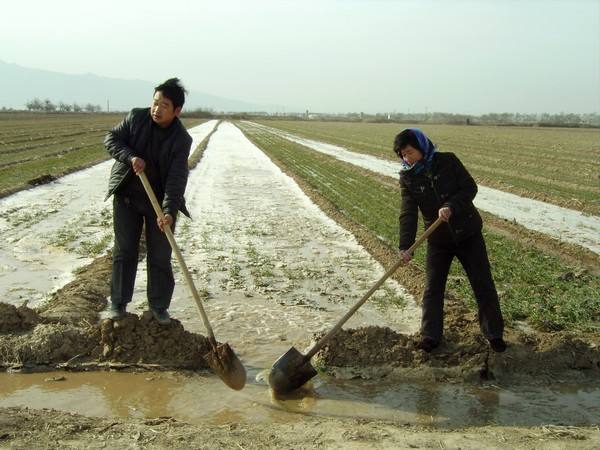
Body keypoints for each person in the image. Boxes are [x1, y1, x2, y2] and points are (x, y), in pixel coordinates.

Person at [394, 128, 506, 353]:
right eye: (403, 155)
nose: (407, 158)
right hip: (438, 240)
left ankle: (494, 334)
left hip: (468, 234)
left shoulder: (448, 161)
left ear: (421, 146)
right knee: (433, 288)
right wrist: (405, 246)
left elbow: (469, 188)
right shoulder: (408, 177)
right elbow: (408, 212)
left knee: (482, 284)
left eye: (409, 152)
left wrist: (451, 206)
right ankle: (430, 336)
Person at [103, 78, 193, 325]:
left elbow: (176, 179)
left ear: (177, 111)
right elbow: (111, 140)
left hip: (158, 202)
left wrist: (169, 212)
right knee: (125, 251)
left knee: (161, 255)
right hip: (128, 197)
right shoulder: (136, 118)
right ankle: (118, 304)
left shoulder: (181, 140)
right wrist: (130, 157)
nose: (156, 109)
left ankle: (159, 308)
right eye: (155, 103)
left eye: (164, 105)